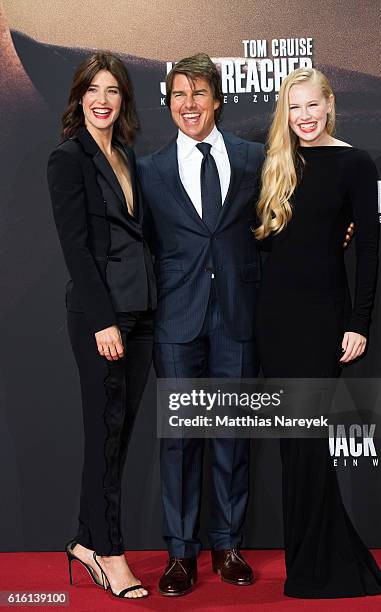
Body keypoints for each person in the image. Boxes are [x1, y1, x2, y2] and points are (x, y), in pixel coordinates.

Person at [255, 67, 381, 597]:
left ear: (330, 103)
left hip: (323, 320)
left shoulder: (355, 164)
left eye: (312, 106)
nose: (304, 118)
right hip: (273, 320)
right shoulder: (274, 161)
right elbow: (267, 245)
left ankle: (324, 566)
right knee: (291, 445)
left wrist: (358, 323)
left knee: (308, 442)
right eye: (294, 108)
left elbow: (369, 250)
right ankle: (307, 562)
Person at [136, 53, 264, 596]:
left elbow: (282, 224)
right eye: (179, 95)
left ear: (217, 99)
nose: (189, 105)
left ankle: (228, 544)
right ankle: (180, 554)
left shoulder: (254, 157)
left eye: (199, 94)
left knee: (232, 437)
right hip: (176, 320)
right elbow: (135, 244)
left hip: (238, 315)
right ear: (170, 103)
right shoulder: (149, 169)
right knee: (179, 440)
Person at [47, 52, 156, 600]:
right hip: (102, 320)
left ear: (123, 101)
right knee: (105, 434)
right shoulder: (68, 160)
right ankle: (110, 553)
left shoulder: (128, 158)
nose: (103, 99)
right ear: (80, 97)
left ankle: (87, 541)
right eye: (94, 89)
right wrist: (103, 321)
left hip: (141, 316)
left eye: (113, 90)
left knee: (119, 435)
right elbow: (78, 251)